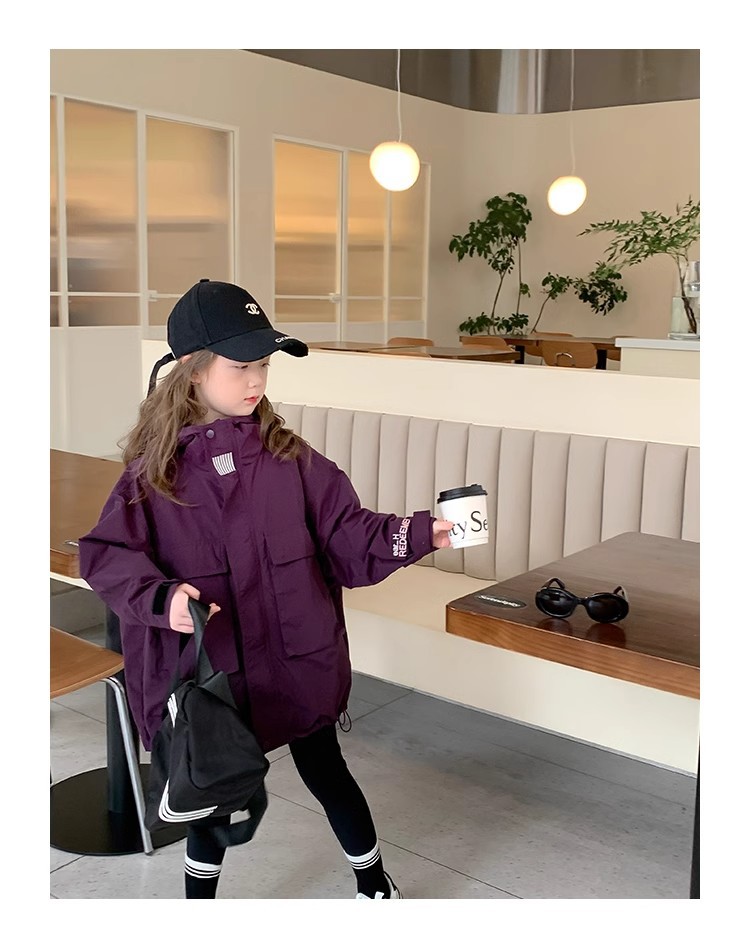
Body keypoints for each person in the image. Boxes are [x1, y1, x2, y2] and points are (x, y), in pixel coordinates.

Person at [78, 278, 454, 900]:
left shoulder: (289, 458)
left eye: (264, 365)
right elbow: (108, 556)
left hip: (294, 657)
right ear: (192, 369)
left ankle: (375, 886)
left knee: (325, 768)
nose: (256, 381)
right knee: (212, 794)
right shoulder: (156, 476)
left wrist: (419, 533)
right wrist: (162, 599)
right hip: (216, 673)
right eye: (240, 366)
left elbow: (347, 533)